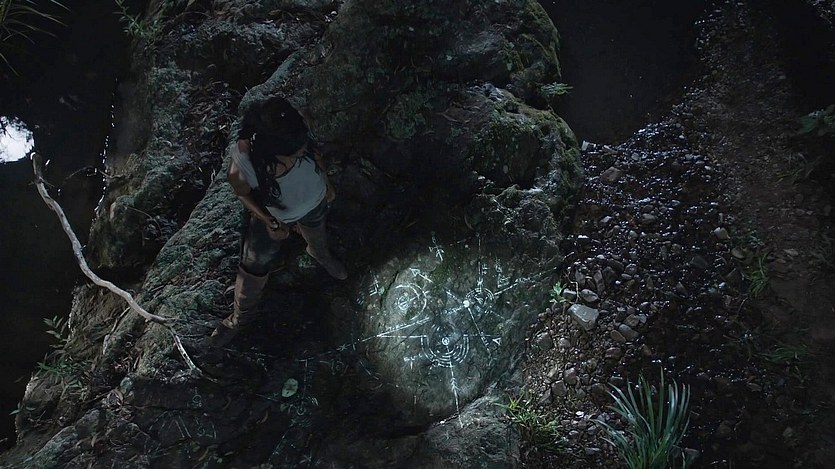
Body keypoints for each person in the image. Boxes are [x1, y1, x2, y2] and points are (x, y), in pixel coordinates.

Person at [210, 97, 347, 347]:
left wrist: (326, 183)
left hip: (314, 200)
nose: (301, 151)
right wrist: (268, 220)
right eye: (295, 152)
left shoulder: (295, 125)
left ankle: (319, 254)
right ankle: (240, 317)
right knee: (254, 265)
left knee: (317, 232)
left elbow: (315, 154)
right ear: (271, 151)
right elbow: (243, 194)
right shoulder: (243, 166)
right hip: (277, 215)